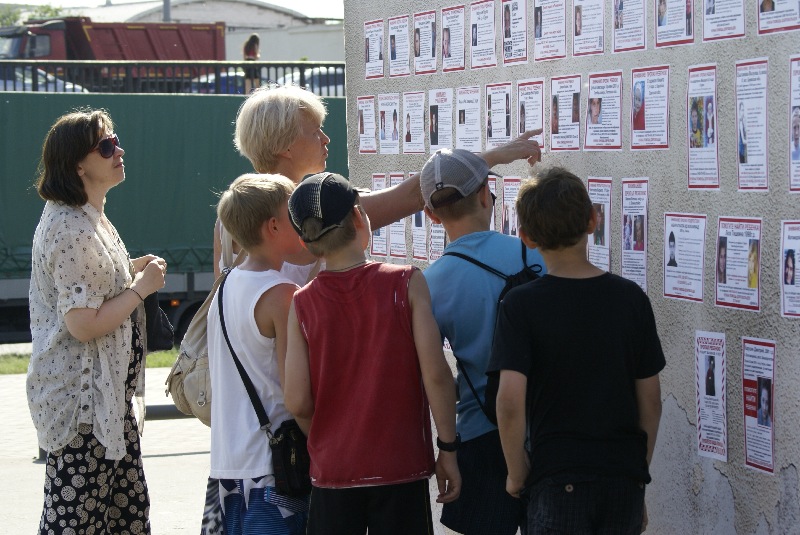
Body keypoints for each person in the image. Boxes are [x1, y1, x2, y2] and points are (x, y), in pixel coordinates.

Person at [284, 173, 461, 534]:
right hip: (400, 469)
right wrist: (448, 447)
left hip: (333, 473)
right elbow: (437, 375)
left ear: (305, 242)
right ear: (359, 217)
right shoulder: (405, 282)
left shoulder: (302, 304)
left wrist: (329, 437)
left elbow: (298, 400)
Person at [490, 167, 664, 534]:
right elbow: (651, 401)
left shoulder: (519, 305)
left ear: (526, 237)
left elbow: (508, 401)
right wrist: (637, 472)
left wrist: (516, 472)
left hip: (556, 477)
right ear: (592, 220)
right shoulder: (631, 299)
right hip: (622, 478)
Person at [29, 109, 167, 534]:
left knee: (125, 517)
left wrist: (128, 270)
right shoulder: (71, 227)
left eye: (116, 141)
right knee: (78, 523)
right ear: (78, 165)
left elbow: (88, 284)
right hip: (82, 411)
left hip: (104, 405)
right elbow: (83, 323)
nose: (118, 151)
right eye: (106, 147)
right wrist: (139, 289)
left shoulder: (87, 217)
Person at [421, 146, 545, 535]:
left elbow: (436, 376)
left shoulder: (428, 284)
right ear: (484, 194)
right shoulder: (535, 255)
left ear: (430, 214)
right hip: (544, 426)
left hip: (480, 430)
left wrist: (448, 448)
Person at [208, 174, 308, 535]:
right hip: (274, 470)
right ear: (274, 225)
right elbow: (295, 393)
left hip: (229, 468)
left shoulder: (226, 283)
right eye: (294, 212)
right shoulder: (283, 294)